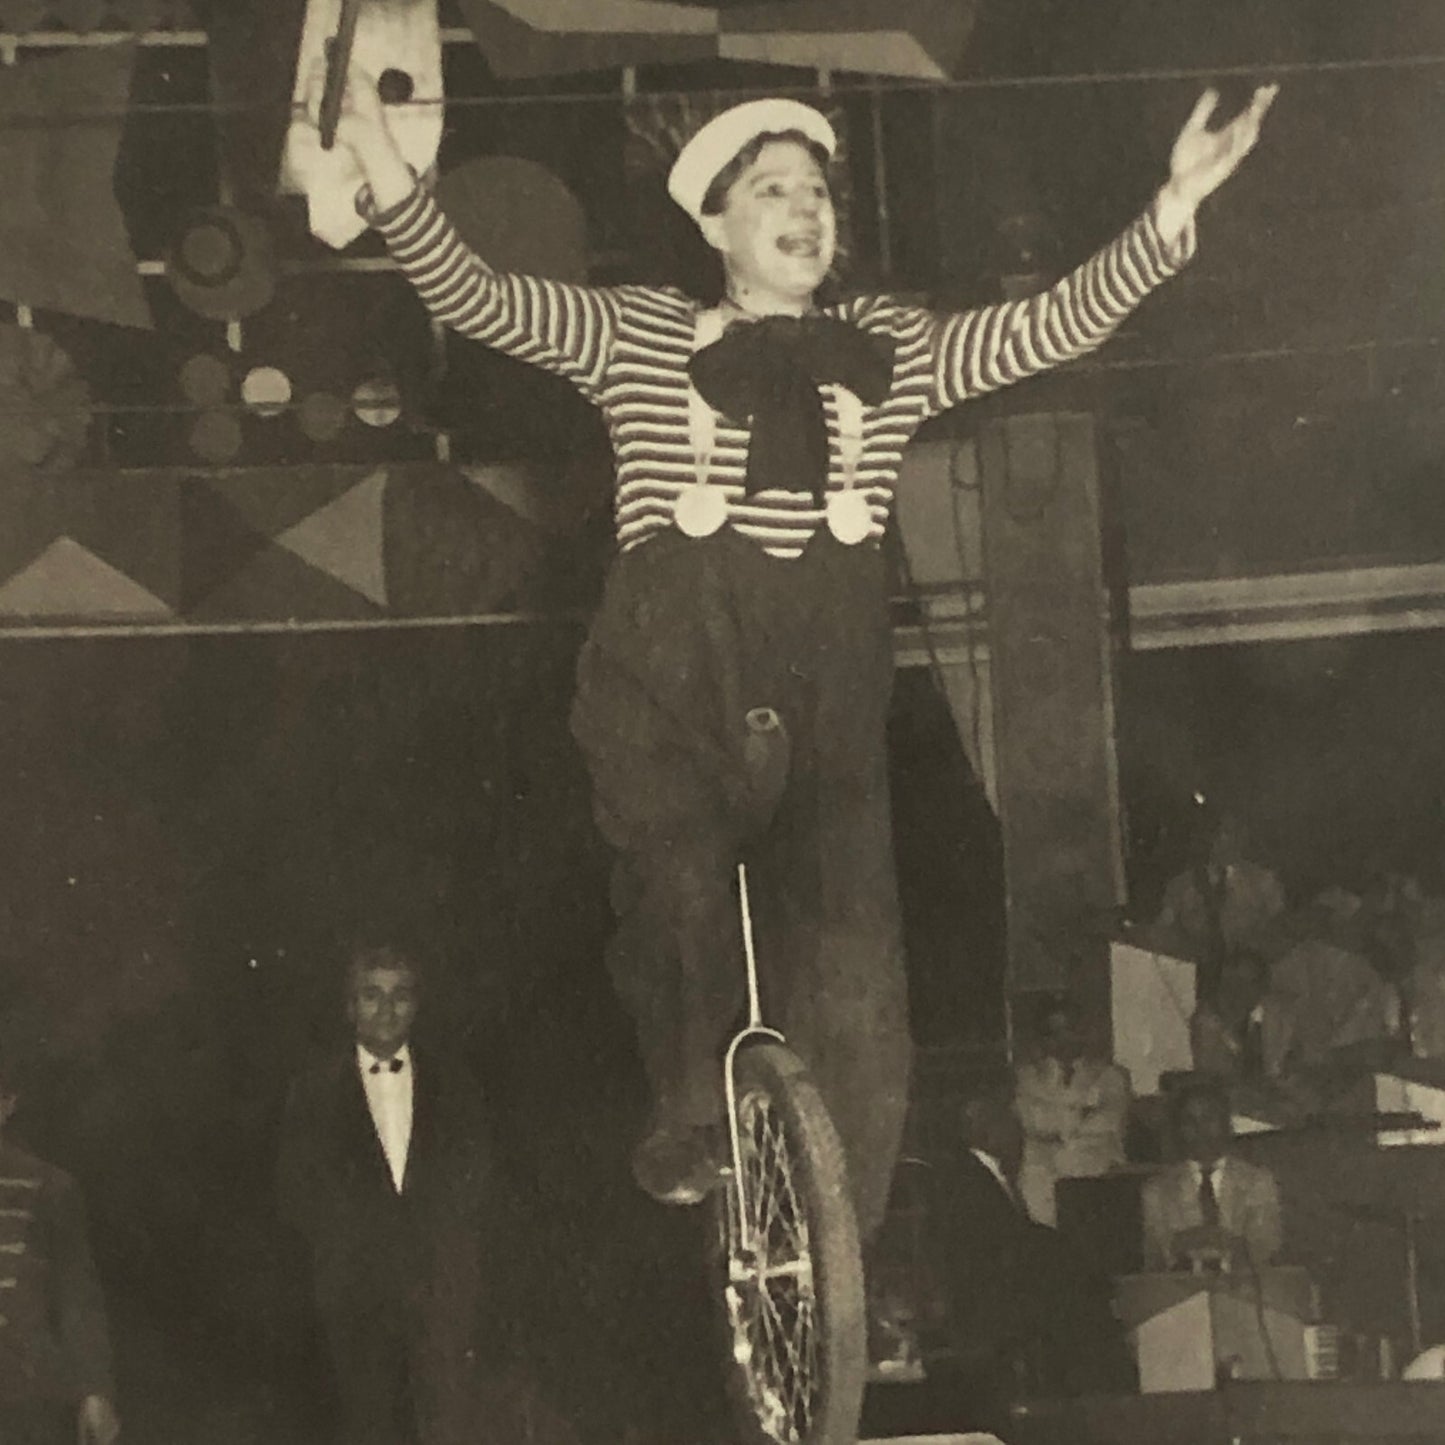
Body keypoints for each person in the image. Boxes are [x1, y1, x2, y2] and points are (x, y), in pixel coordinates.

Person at [302, 63, 1277, 1227]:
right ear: (714, 223)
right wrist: (383, 162)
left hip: (827, 677)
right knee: (680, 891)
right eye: (771, 189)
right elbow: (476, 295)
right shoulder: (639, 333)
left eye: (816, 190)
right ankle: (685, 1109)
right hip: (671, 668)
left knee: (857, 967)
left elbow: (1044, 328)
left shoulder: (889, 344)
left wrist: (1172, 206)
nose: (804, 208)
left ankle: (834, 1227)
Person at [276, 944, 508, 1445]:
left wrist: (440, 1255)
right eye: (371, 995)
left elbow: (478, 1179)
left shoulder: (456, 1084)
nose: (386, 1009)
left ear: (416, 1005)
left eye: (400, 995)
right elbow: (297, 1194)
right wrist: (356, 1248)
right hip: (355, 1295)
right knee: (368, 1423)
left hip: (441, 1290)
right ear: (349, 1007)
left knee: (447, 1420)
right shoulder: (312, 1092)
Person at [906, 1080, 1130, 1435]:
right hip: (996, 1329)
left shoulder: (988, 1177)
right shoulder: (965, 1180)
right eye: (1008, 1119)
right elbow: (1010, 1248)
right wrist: (1068, 1254)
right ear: (978, 1122)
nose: (1019, 1131)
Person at [0, 1058, 119, 1445]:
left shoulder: (51, 1189)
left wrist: (94, 1389)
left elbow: (76, 1296)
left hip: (22, 1397)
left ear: (8, 1104)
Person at [1142, 1076, 1282, 1273]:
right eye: (1189, 1122)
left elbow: (1265, 1247)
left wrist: (1225, 1241)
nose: (1201, 1130)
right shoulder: (1158, 1190)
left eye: (1209, 1119)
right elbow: (1155, 1258)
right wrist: (1189, 1240)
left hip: (1244, 1286)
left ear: (1226, 1123)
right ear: (1178, 1129)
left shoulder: (1257, 1181)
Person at [1014, 994, 1131, 1228]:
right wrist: (1082, 1113)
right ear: (1043, 1040)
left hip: (1096, 1173)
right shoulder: (1027, 1078)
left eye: (1068, 1030)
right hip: (1043, 1179)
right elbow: (1032, 1120)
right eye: (1054, 1033)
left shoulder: (1109, 1076)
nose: (1063, 1040)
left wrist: (1056, 1124)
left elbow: (1109, 1122)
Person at [1155, 813, 1286, 1009]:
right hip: (1194, 981)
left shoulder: (1264, 883)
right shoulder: (1182, 886)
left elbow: (1280, 934)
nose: (1225, 839)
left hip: (1249, 983)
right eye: (1219, 832)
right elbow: (1162, 932)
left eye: (1233, 832)